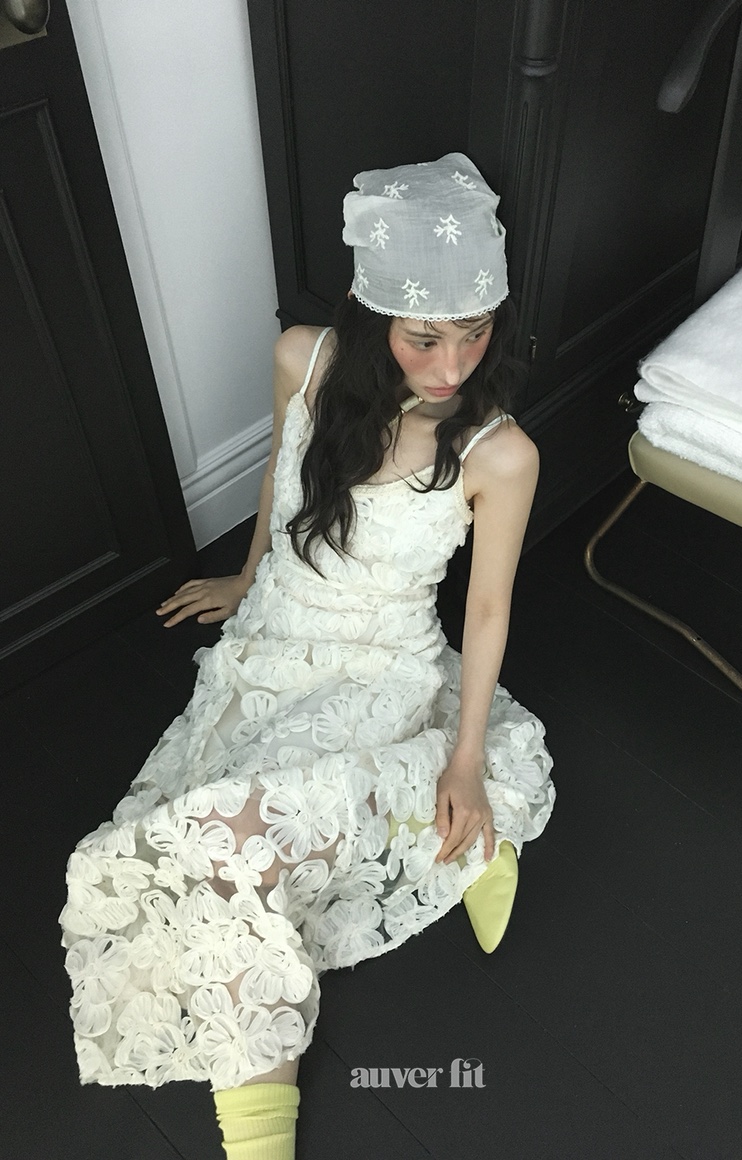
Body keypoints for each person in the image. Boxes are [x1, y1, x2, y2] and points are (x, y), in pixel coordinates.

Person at [60, 153, 555, 1160]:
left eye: (475, 332)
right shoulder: (303, 357)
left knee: (241, 844)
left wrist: (466, 755)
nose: (453, 365)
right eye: (426, 337)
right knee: (187, 853)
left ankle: (261, 1110)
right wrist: (250, 578)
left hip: (381, 664)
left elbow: (489, 606)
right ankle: (454, 844)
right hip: (272, 641)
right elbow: (280, 480)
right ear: (375, 316)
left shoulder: (501, 453)